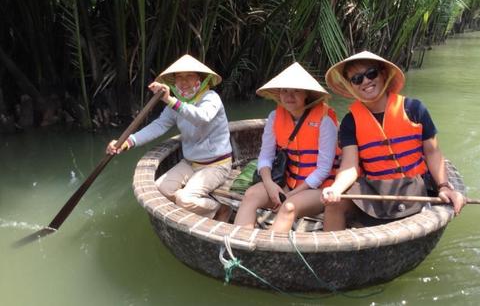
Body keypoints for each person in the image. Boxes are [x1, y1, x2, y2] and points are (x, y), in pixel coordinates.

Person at [321, 51, 466, 231]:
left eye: (371, 74)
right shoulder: (350, 122)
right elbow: (349, 165)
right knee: (334, 205)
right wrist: (336, 188)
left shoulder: (414, 108)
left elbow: (432, 151)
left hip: (416, 188)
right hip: (376, 190)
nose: (365, 81)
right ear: (351, 85)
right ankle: (333, 255)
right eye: (357, 79)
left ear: (383, 74)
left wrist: (444, 186)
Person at [106, 54, 233, 221]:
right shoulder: (176, 104)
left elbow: (202, 117)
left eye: (189, 76)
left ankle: (222, 208)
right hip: (191, 162)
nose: (184, 82)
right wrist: (127, 142)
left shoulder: (210, 98)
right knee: (160, 189)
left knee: (184, 200)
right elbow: (158, 126)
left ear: (201, 80)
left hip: (216, 165)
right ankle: (205, 206)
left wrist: (170, 100)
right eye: (179, 78)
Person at [233, 62, 339, 232]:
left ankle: (267, 254)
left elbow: (324, 169)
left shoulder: (325, 120)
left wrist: (291, 195)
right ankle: (238, 245)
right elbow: (265, 156)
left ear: (307, 94)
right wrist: (269, 184)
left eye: (296, 90)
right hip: (286, 182)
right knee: (251, 194)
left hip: (318, 188)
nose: (289, 96)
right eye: (285, 91)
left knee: (288, 207)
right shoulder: (274, 117)